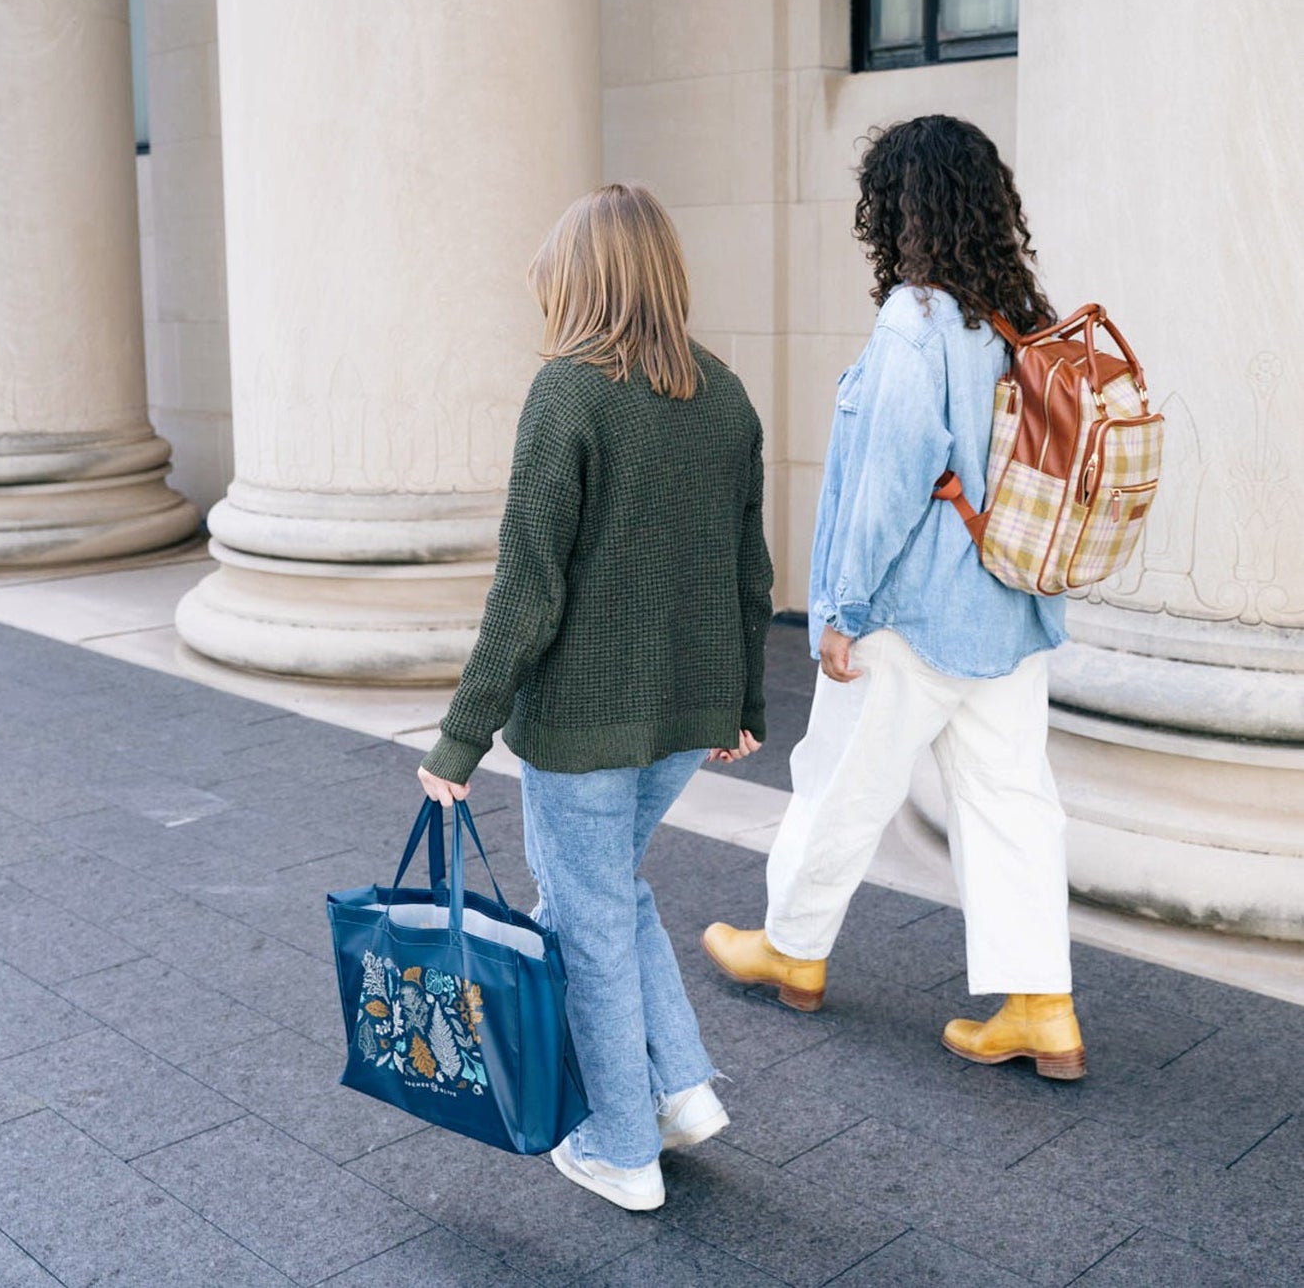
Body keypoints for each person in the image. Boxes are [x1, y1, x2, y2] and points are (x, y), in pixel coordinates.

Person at [704, 115, 1087, 1080]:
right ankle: (1041, 1004)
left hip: (912, 613)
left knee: (839, 780)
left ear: (900, 210)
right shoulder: (1018, 319)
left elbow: (884, 484)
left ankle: (792, 946)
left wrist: (839, 608)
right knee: (1010, 802)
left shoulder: (916, 323)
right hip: (1008, 613)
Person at [417, 182, 774, 1209]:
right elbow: (747, 569)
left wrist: (457, 741)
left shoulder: (567, 392)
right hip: (682, 713)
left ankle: (620, 1146)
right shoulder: (726, 395)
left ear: (576, 282)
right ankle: (678, 1090)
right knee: (606, 893)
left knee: (585, 915)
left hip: (581, 721)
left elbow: (527, 589)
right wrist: (740, 698)